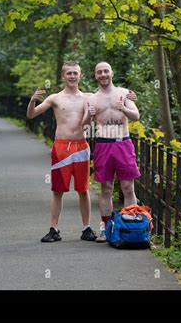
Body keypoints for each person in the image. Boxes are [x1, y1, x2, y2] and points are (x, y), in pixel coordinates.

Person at [27, 61, 98, 242]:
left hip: (81, 146)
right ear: (63, 76)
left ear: (80, 75)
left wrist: (128, 96)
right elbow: (31, 114)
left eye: (75, 73)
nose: (72, 76)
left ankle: (87, 228)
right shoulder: (55, 98)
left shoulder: (89, 97)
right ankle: (54, 229)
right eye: (69, 73)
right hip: (61, 147)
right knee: (58, 190)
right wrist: (33, 99)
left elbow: (110, 97)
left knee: (83, 189)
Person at [82, 61, 141, 242]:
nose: (103, 74)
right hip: (103, 144)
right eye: (99, 72)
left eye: (106, 71)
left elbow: (136, 115)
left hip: (123, 142)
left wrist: (123, 108)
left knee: (127, 187)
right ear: (95, 75)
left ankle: (130, 227)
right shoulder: (91, 99)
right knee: (106, 188)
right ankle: (106, 229)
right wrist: (89, 116)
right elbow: (84, 126)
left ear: (112, 73)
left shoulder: (124, 94)